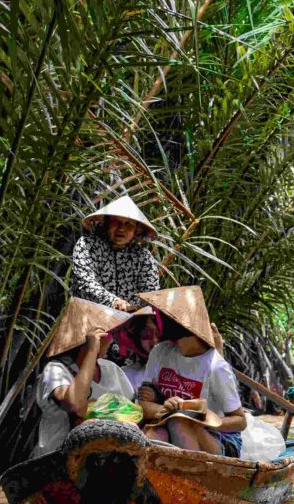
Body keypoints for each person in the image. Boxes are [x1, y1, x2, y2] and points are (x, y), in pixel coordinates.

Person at [135, 286, 247, 457]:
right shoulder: (160, 352)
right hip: (172, 427)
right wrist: (167, 408)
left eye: (161, 316)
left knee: (180, 422)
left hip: (219, 440)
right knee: (156, 431)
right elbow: (143, 405)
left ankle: (193, 477)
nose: (157, 320)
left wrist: (203, 418)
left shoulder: (216, 367)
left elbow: (240, 421)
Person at [34, 298, 135, 457]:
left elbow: (132, 411)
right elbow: (75, 405)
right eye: (107, 334)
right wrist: (91, 351)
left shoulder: (111, 369)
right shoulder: (55, 370)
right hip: (59, 458)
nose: (111, 340)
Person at [70, 195, 160, 312]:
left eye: (128, 224)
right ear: (106, 224)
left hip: (128, 322)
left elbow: (151, 294)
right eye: (116, 222)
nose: (121, 229)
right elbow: (84, 282)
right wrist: (114, 302)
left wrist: (148, 316)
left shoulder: (142, 256)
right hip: (89, 317)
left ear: (136, 229)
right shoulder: (88, 245)